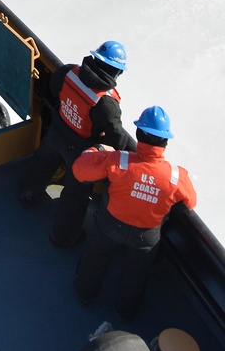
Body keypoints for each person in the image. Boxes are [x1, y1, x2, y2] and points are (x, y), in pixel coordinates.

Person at [72, 105, 196, 318]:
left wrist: (96, 151)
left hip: (110, 225)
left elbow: (79, 171)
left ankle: (84, 293)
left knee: (96, 257)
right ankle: (125, 312)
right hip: (146, 237)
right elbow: (190, 202)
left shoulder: (119, 160)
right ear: (165, 141)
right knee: (136, 275)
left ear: (138, 134)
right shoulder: (177, 176)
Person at [18, 40, 134, 247]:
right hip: (81, 152)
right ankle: (62, 237)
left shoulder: (68, 73)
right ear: (116, 71)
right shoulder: (106, 103)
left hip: (57, 133)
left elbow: (52, 90)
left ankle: (27, 194)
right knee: (75, 195)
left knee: (41, 163)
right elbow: (117, 138)